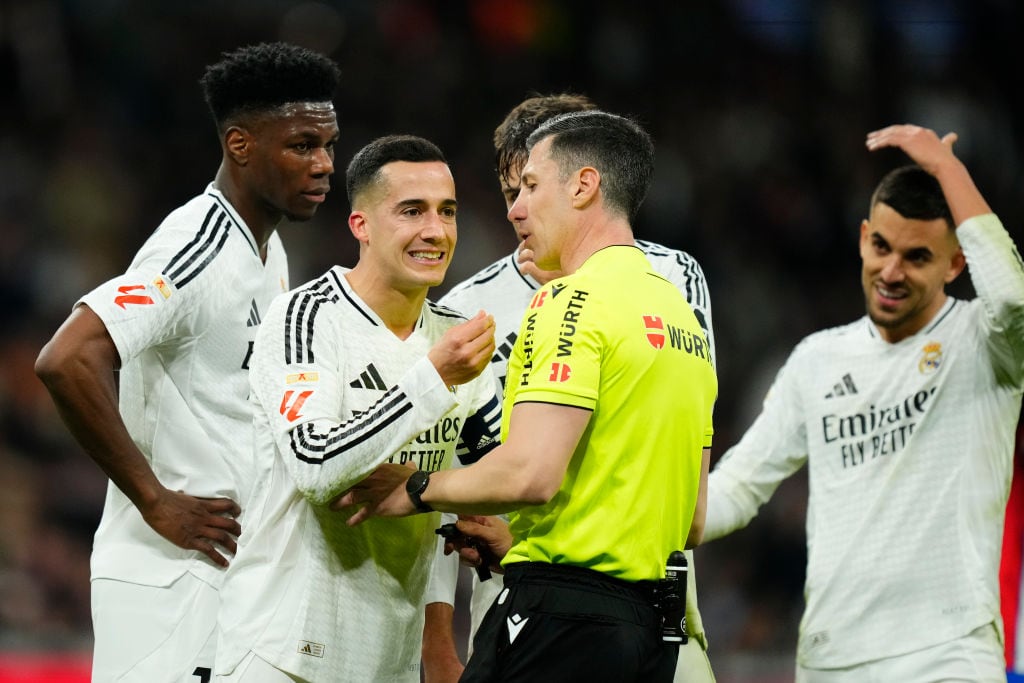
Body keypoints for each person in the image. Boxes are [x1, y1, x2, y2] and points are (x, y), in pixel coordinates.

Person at [341, 110, 718, 683]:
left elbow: (531, 475)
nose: (516, 209)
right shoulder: (679, 313)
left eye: (532, 187)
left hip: (558, 621)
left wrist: (416, 489)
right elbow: (691, 518)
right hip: (648, 634)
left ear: (584, 185)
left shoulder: (569, 300)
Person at [33, 42, 341, 682]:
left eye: (329, 146)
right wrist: (153, 499)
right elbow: (67, 357)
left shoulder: (269, 249)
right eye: (303, 145)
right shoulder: (195, 250)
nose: (324, 166)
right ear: (240, 144)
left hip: (227, 575)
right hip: (167, 581)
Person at [703, 124, 1024, 682]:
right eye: (881, 247)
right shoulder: (817, 360)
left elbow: (1014, 298)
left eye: (917, 256)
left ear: (955, 264)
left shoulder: (984, 345)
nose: (891, 272)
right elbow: (737, 487)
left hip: (948, 656)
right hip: (833, 661)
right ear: (862, 238)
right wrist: (643, 517)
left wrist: (950, 172)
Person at [212, 134, 502, 683]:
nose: (435, 231)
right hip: (281, 654)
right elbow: (317, 463)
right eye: (411, 211)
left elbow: (497, 475)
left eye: (447, 212)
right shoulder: (306, 318)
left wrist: (491, 524)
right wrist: (431, 379)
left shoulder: (454, 342)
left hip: (388, 662)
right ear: (361, 226)